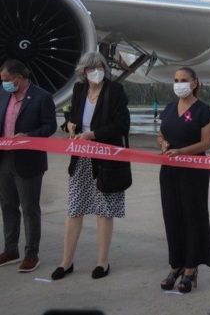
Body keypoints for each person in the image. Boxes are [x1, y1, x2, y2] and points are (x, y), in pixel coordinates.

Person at [51, 52, 130, 281]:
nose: (95, 71)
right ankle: (66, 262)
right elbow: (70, 121)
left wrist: (93, 135)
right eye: (90, 68)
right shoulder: (79, 91)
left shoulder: (114, 91)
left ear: (105, 68)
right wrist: (70, 127)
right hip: (81, 159)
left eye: (99, 66)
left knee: (103, 211)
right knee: (74, 208)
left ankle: (102, 262)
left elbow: (122, 125)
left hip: (105, 159)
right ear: (83, 72)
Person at [157, 67, 210, 293]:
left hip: (194, 171)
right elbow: (161, 133)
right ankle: (176, 265)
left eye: (183, 80)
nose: (179, 83)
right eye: (176, 80)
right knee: (172, 216)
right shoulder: (170, 108)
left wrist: (182, 151)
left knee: (193, 216)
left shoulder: (203, 110)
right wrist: (162, 143)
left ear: (194, 83)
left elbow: (206, 143)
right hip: (170, 169)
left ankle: (191, 268)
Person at [0, 59, 56, 272]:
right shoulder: (3, 93)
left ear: (19, 78)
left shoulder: (42, 97)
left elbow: (49, 126)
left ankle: (32, 254)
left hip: (28, 161)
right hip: (4, 159)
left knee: (30, 208)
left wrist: (28, 137)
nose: (3, 83)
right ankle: (10, 250)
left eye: (6, 80)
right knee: (7, 206)